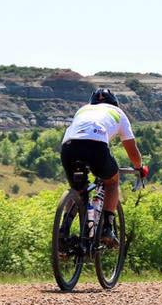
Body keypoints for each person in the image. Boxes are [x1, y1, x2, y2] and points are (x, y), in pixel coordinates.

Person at [61, 88, 148, 244]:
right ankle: (107, 228)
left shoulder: (83, 110)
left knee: (77, 189)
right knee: (112, 181)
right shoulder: (118, 113)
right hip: (96, 146)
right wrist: (139, 168)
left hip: (69, 147)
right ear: (115, 103)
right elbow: (131, 150)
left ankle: (63, 230)